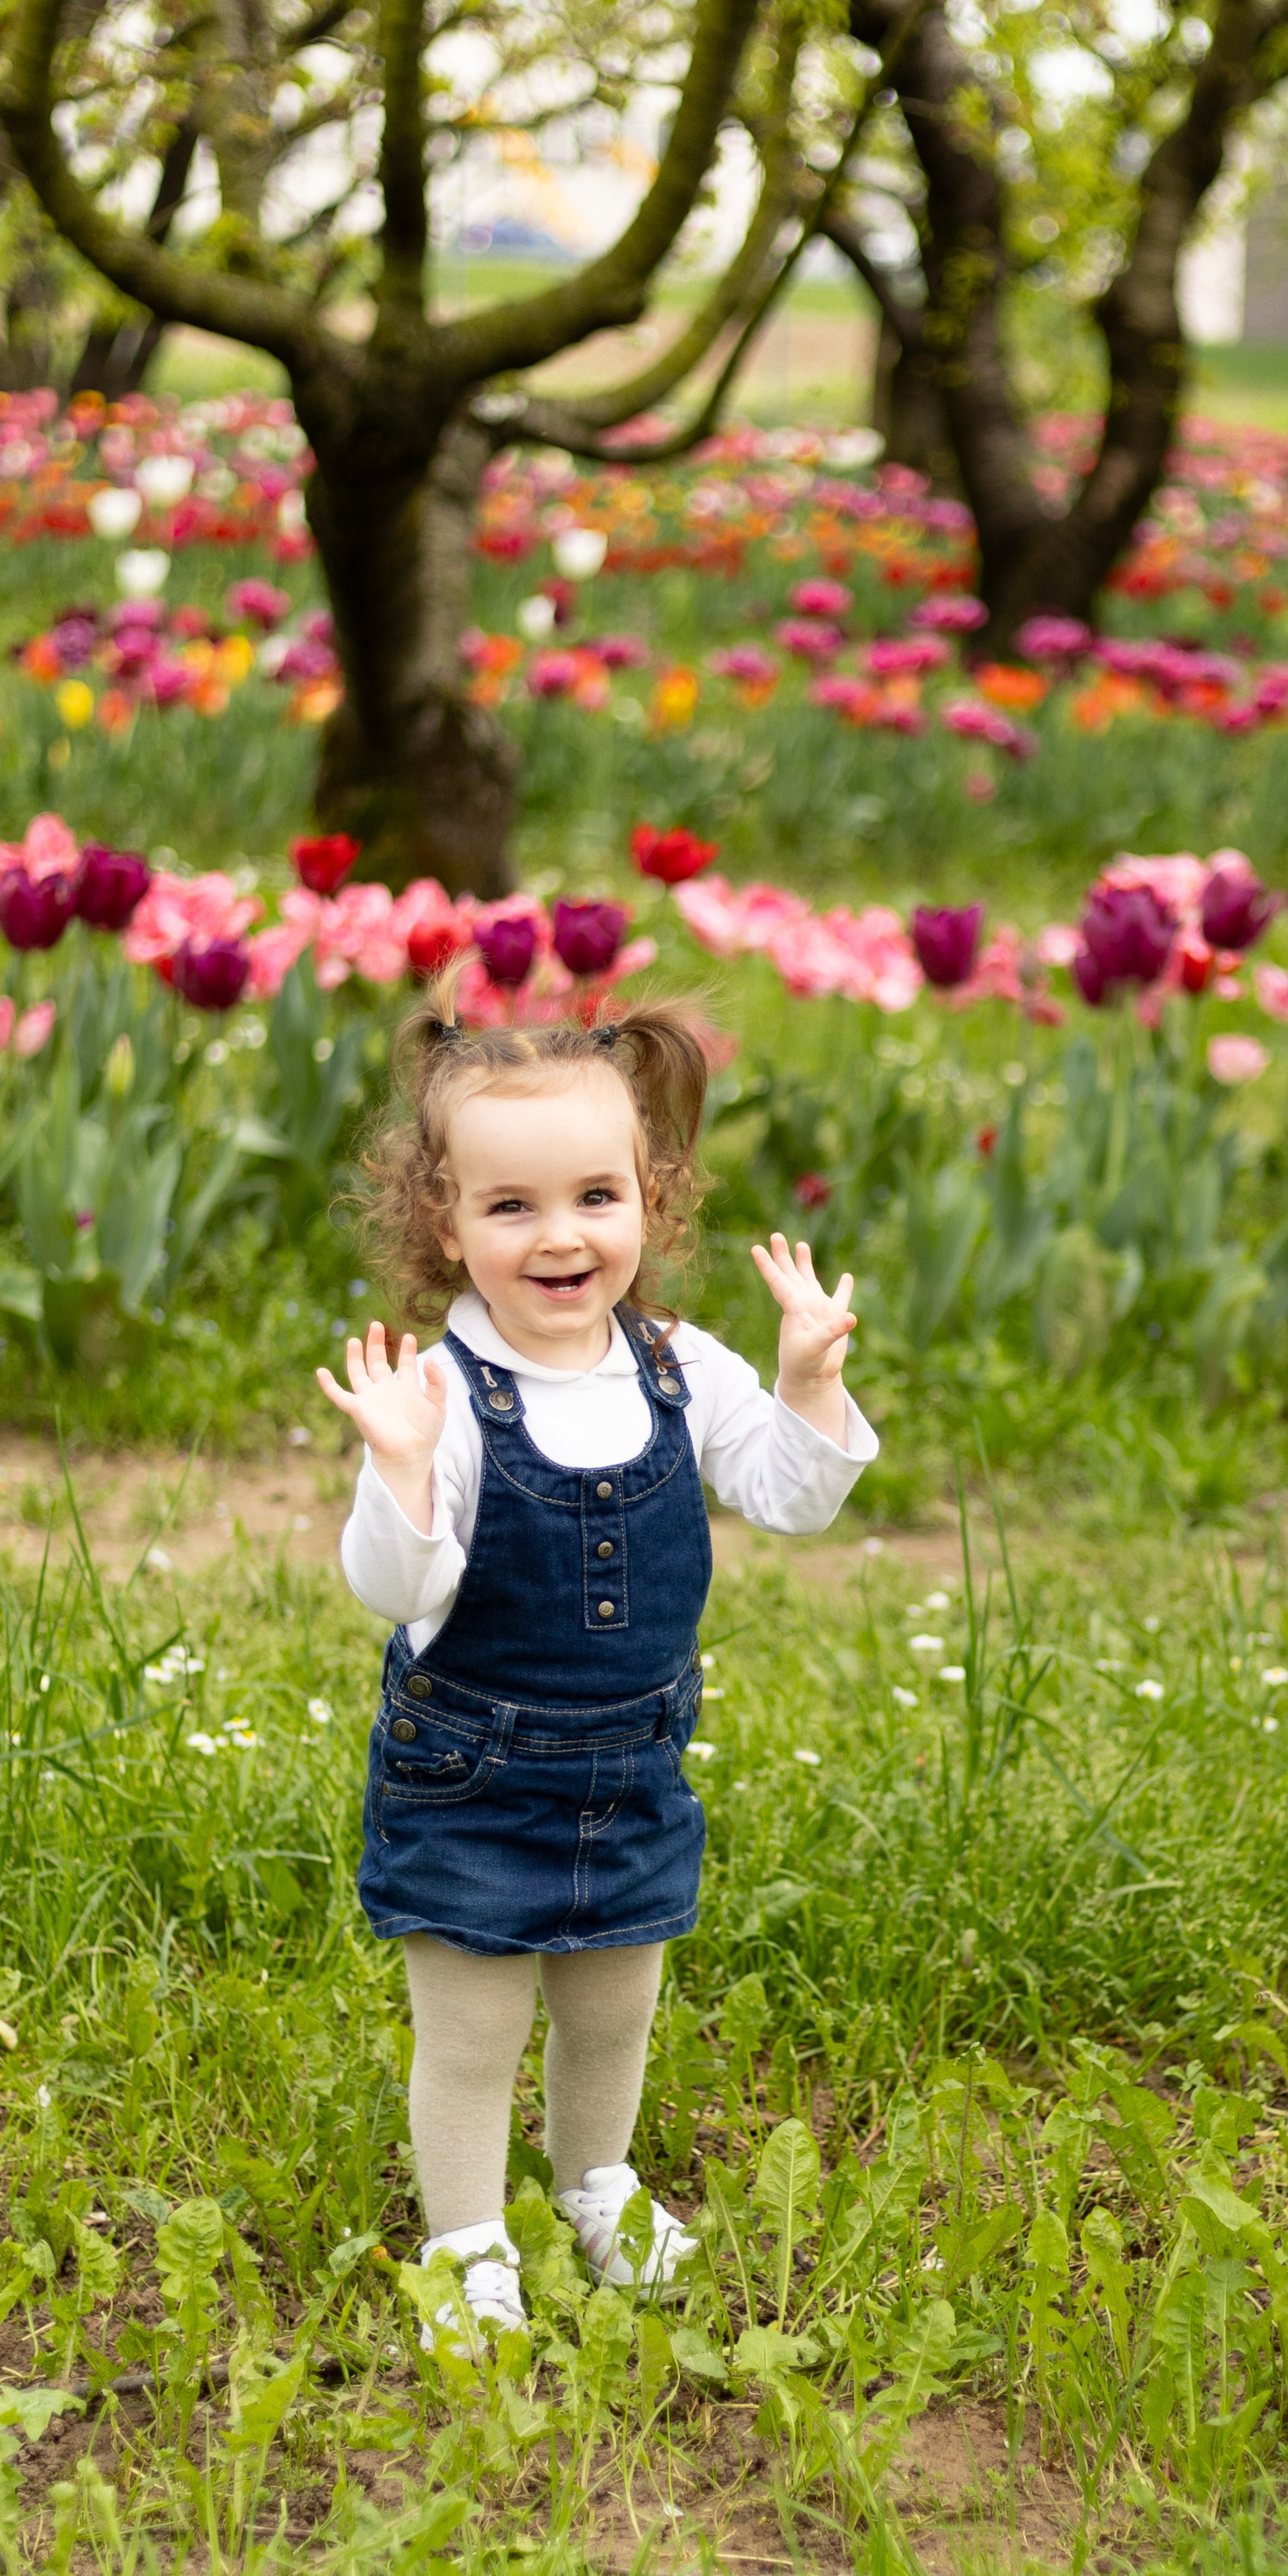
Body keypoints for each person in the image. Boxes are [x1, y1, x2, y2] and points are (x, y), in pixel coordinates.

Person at [319, 973, 878, 2355]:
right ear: (443, 1222)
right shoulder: (442, 1399)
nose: (560, 1235)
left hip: (630, 1765)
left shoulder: (682, 1367)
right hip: (472, 1773)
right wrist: (398, 1472)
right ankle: (463, 2239)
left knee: (615, 2001)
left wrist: (808, 1378)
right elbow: (398, 1590)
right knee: (472, 2026)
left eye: (595, 1196)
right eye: (511, 1207)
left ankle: (595, 2183)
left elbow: (793, 1494)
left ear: (651, 1197)